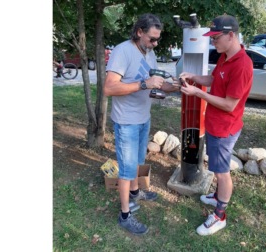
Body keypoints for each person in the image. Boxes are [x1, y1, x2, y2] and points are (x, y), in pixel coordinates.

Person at [104, 13, 179, 235]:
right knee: (126, 170)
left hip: (143, 118)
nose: (155, 43)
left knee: (138, 161)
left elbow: (156, 84)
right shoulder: (122, 51)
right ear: (139, 32)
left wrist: (173, 86)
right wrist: (143, 84)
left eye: (158, 39)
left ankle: (136, 193)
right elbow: (109, 88)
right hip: (126, 121)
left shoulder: (149, 53)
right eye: (152, 39)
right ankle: (125, 215)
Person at [179, 14, 253, 236]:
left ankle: (220, 215)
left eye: (216, 38)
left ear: (231, 35)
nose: (213, 42)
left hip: (225, 128)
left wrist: (197, 94)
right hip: (214, 124)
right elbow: (213, 80)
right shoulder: (225, 57)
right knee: (217, 169)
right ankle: (217, 196)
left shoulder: (242, 65)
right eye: (211, 38)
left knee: (222, 174)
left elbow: (230, 105)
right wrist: (193, 77)